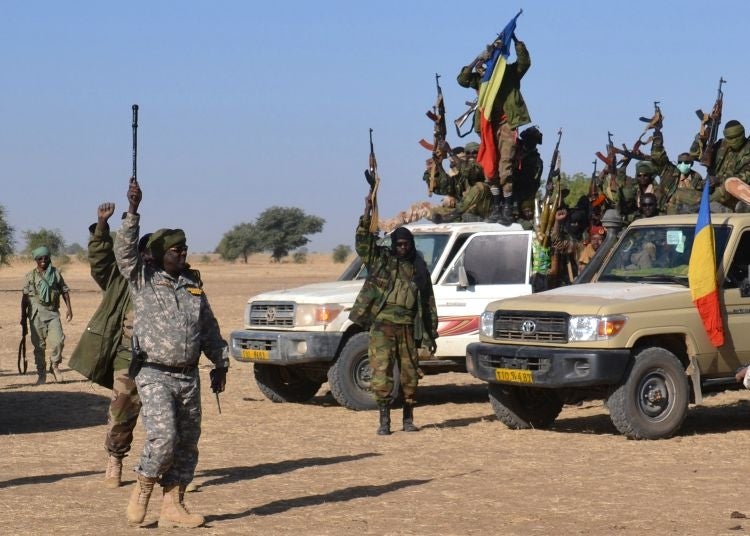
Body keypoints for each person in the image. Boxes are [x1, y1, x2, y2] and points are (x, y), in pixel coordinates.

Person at [116, 179, 229, 528]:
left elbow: (207, 327)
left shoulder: (193, 285)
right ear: (160, 253)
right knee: (163, 437)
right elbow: (124, 252)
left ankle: (172, 506)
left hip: (188, 375)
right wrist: (133, 210)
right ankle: (143, 486)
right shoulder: (143, 279)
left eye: (184, 250)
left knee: (187, 443)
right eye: (175, 250)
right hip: (154, 373)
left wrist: (220, 362)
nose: (181, 255)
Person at [68, 203, 155, 489]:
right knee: (122, 412)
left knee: (167, 419)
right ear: (141, 255)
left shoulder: (169, 282)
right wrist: (102, 226)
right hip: (128, 357)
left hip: (160, 362)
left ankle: (170, 470)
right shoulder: (122, 279)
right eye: (148, 254)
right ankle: (115, 459)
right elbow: (102, 261)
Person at [350, 193, 438, 436]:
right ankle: (384, 420)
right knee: (382, 373)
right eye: (398, 245)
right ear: (393, 245)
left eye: (405, 245)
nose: (402, 248)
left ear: (410, 245)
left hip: (408, 326)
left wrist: (431, 334)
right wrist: (367, 212)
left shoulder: (419, 268)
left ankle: (408, 418)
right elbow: (363, 243)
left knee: (410, 375)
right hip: (382, 326)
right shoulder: (381, 261)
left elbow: (428, 304)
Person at [458, 36, 531, 224]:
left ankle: (507, 208)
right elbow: (462, 79)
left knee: (505, 165)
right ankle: (496, 206)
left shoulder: (509, 73)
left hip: (507, 124)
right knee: (490, 167)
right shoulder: (481, 80)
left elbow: (525, 62)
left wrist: (516, 42)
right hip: (488, 126)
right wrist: (477, 59)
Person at [21, 245, 73, 385]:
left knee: (58, 341)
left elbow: (64, 290)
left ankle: (54, 367)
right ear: (36, 260)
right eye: (40, 258)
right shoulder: (29, 276)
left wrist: (69, 308)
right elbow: (25, 299)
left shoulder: (55, 273)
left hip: (52, 313)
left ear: (49, 258)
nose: (43, 260)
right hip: (35, 314)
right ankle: (41, 374)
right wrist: (22, 318)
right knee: (39, 346)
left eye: (46, 258)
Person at [691, 119, 750, 210]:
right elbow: (694, 155)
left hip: (736, 193)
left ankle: (701, 206)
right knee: (678, 194)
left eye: (737, 136)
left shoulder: (748, 148)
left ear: (743, 133)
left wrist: (719, 179)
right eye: (730, 138)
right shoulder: (721, 146)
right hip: (712, 190)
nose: (734, 140)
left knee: (728, 184)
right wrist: (700, 140)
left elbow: (745, 177)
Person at [650, 131, 703, 215]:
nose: (683, 164)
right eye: (680, 162)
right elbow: (658, 157)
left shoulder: (696, 177)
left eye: (686, 163)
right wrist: (657, 136)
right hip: (666, 213)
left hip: (688, 214)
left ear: (691, 164)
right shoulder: (669, 173)